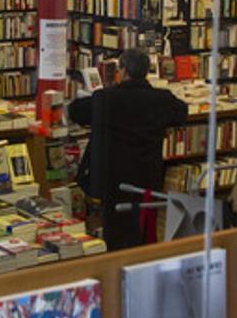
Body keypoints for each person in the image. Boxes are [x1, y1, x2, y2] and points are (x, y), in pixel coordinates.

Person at [68, 48, 188, 250]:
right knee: (144, 226)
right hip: (148, 175)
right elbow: (182, 112)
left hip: (115, 178)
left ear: (122, 72)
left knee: (116, 230)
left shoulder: (107, 98)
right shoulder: (162, 99)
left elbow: (75, 110)